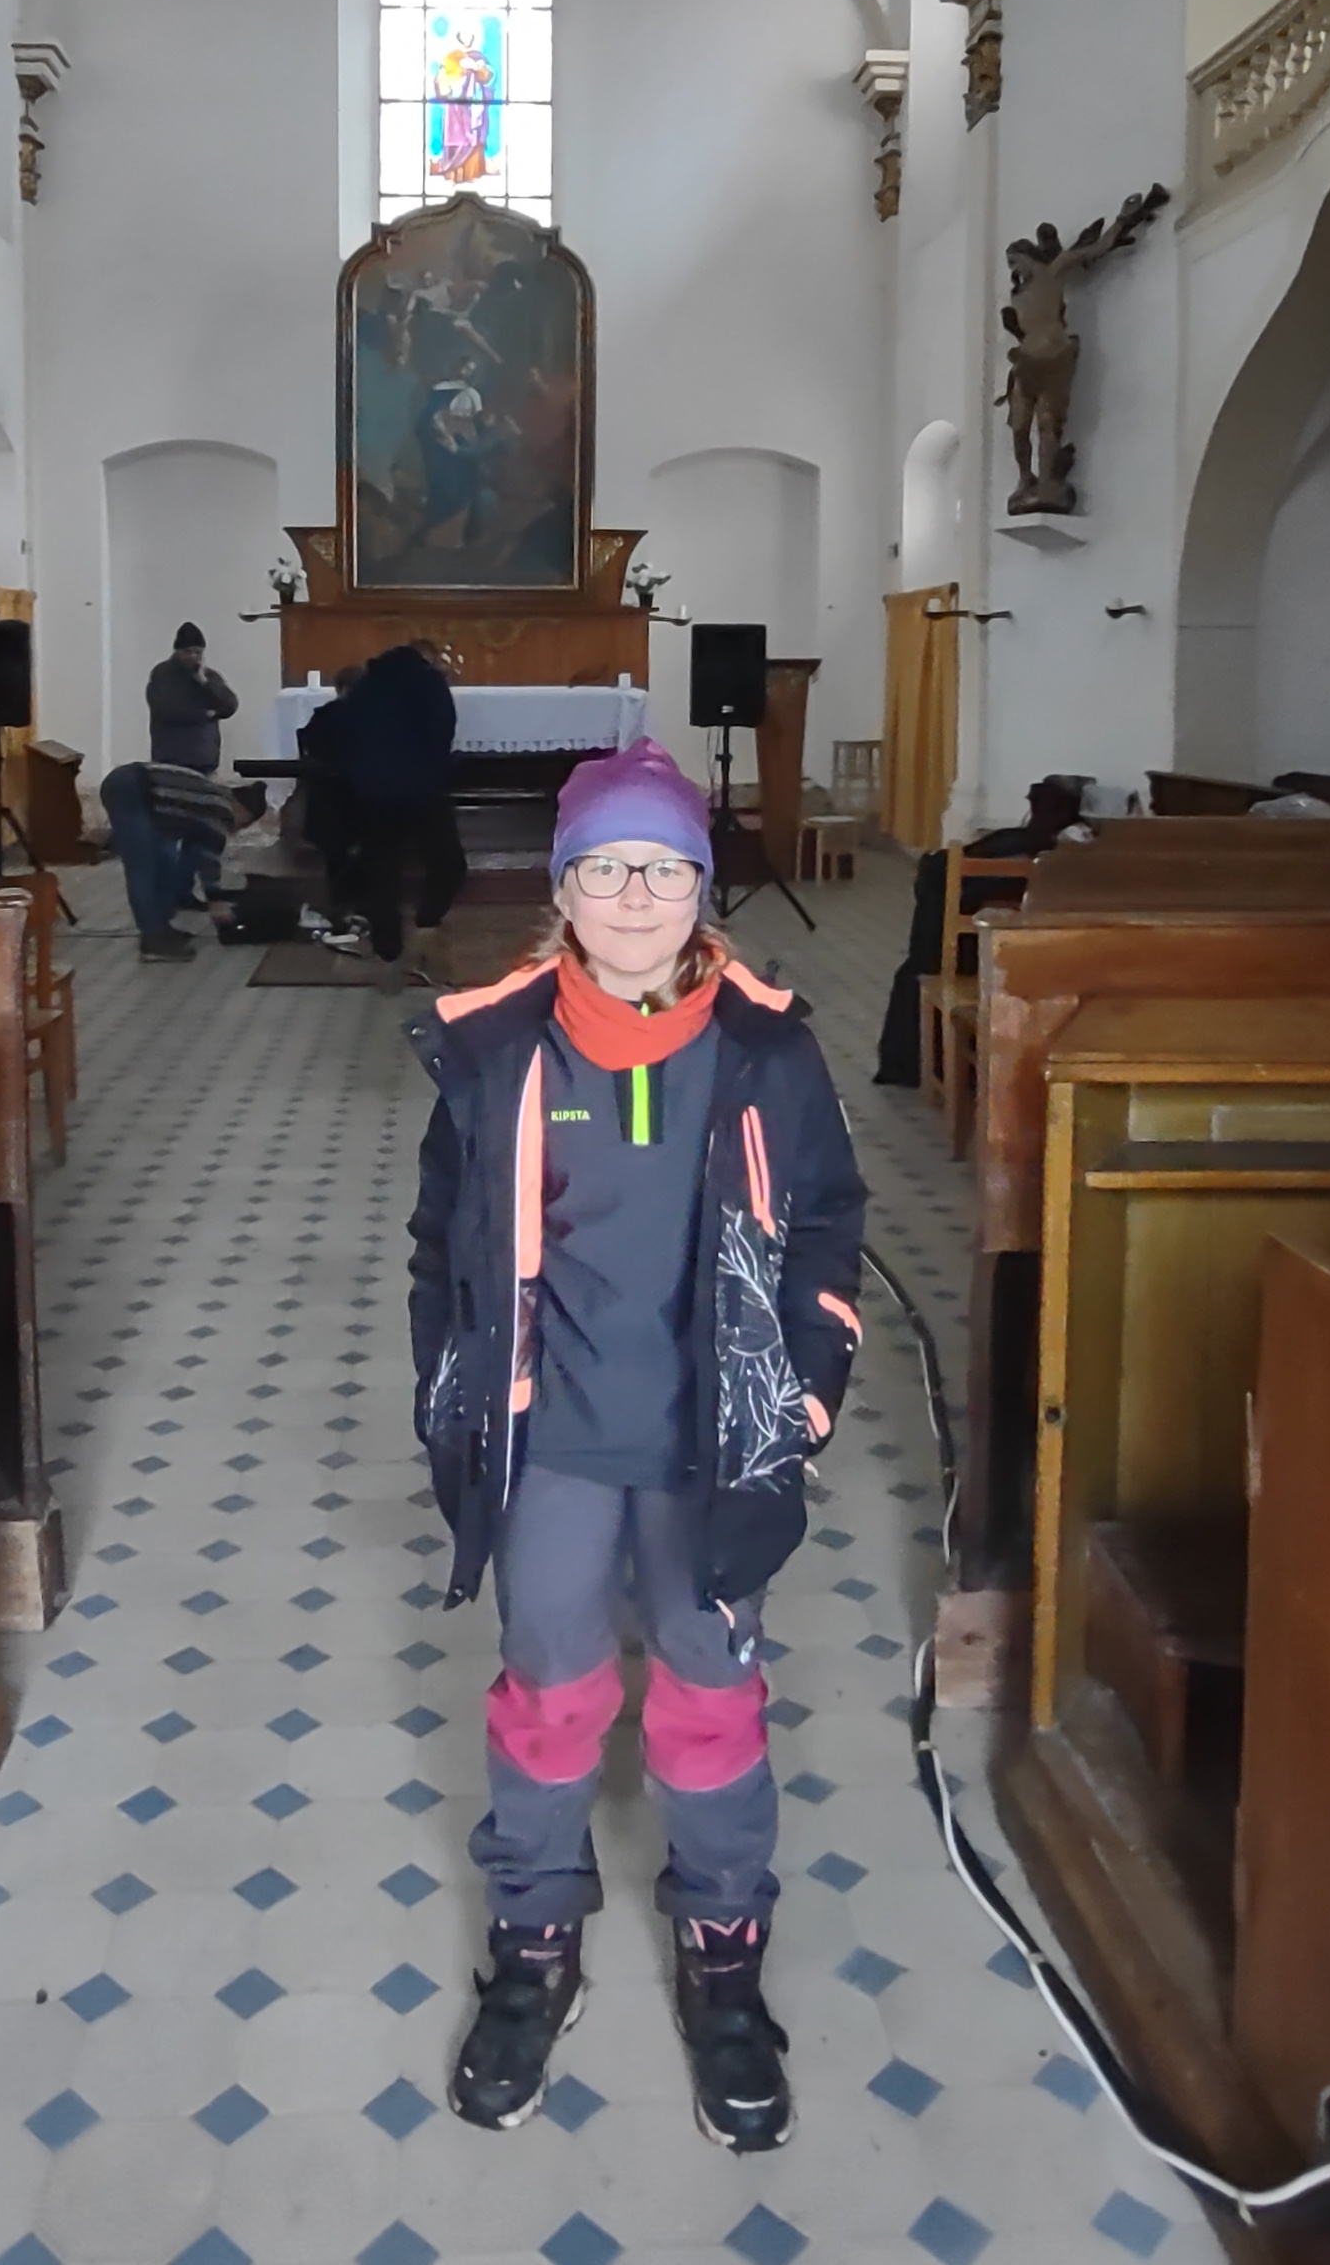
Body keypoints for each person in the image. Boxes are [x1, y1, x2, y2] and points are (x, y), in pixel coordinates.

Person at [404, 740, 872, 2153]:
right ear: (561, 888)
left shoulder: (767, 1049)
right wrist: (451, 1387)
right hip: (551, 1440)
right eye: (603, 868)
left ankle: (723, 1948)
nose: (633, 897)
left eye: (664, 869)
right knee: (548, 1692)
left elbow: (829, 1223)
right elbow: (440, 1239)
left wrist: (807, 1391)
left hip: (708, 1445)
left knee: (709, 1694)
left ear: (700, 888)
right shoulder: (499, 1047)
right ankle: (533, 1941)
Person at [874, 773, 1092, 1086]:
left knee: (923, 950)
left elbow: (936, 873)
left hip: (961, 956)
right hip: (1039, 964)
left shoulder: (1011, 844)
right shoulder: (1072, 855)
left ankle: (919, 1063)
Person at [316, 641, 466, 960]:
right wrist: (432, 771)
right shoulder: (430, 682)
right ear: (425, 659)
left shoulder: (366, 685)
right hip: (420, 789)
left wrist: (362, 776)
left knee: (382, 869)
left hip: (373, 792)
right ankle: (428, 917)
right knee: (448, 862)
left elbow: (346, 733)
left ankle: (387, 946)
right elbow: (443, 731)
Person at [99, 758, 258, 960]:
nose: (239, 830)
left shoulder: (209, 800)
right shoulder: (222, 808)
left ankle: (161, 928)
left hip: (139, 790)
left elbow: (196, 853)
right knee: (143, 868)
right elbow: (209, 861)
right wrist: (216, 902)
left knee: (163, 862)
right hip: (130, 788)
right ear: (240, 807)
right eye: (245, 823)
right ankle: (153, 941)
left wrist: (203, 898)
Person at [144, 621, 240, 773]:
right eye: (188, 652)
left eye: (197, 652)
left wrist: (204, 683)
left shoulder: (209, 677)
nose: (193, 657)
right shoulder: (162, 675)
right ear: (177, 651)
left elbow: (230, 706)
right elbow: (166, 710)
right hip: (171, 758)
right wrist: (205, 714)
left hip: (205, 761)